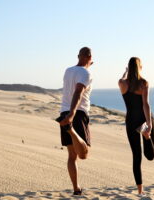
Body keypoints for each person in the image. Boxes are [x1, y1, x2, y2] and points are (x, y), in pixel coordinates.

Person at [56, 47, 93, 195]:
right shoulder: (86, 73)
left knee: (72, 157)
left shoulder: (68, 70)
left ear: (79, 56)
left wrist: (67, 113)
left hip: (64, 112)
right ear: (89, 57)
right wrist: (72, 114)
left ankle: (76, 189)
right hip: (77, 113)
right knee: (83, 155)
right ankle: (70, 129)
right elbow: (78, 91)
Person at [118, 57, 154, 195]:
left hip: (131, 121)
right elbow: (146, 104)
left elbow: (121, 79)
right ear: (140, 67)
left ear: (128, 67)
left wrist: (124, 73)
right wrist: (149, 124)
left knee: (136, 156)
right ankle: (147, 138)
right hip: (143, 119)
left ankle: (140, 191)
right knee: (151, 155)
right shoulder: (143, 83)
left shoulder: (122, 83)